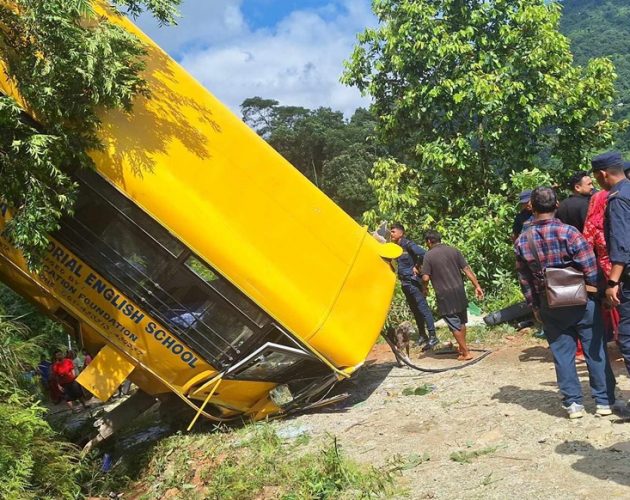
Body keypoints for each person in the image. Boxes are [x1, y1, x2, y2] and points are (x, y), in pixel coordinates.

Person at [514, 186, 615, 419]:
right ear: (556, 204)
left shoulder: (522, 240)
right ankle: (603, 402)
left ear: (532, 206)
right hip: (581, 300)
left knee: (562, 353)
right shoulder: (569, 233)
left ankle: (573, 404)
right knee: (595, 350)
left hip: (548, 301)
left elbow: (524, 278)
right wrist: (595, 293)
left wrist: (534, 306)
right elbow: (589, 265)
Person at [591, 152, 630, 380]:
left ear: (603, 174)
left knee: (626, 337)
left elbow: (622, 245)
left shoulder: (616, 198)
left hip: (627, 278)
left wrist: (613, 282)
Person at [421, 230, 484, 361]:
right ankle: (462, 348)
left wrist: (424, 289)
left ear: (428, 241)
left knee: (453, 323)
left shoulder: (428, 256)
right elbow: (467, 269)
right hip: (459, 290)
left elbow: (426, 277)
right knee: (461, 321)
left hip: (444, 294)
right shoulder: (453, 250)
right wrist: (477, 286)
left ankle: (466, 352)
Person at [390, 223, 438, 350]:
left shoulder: (408, 244)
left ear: (401, 233)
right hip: (405, 283)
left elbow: (424, 254)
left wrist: (417, 266)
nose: (391, 234)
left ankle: (433, 336)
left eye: (393, 231)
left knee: (423, 309)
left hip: (413, 282)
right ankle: (423, 335)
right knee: (415, 311)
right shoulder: (396, 248)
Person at [583, 188, 619, 342]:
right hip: (623, 264)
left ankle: (619, 336)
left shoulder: (592, 223)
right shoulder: (618, 217)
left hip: (607, 268)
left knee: (615, 303)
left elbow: (586, 247)